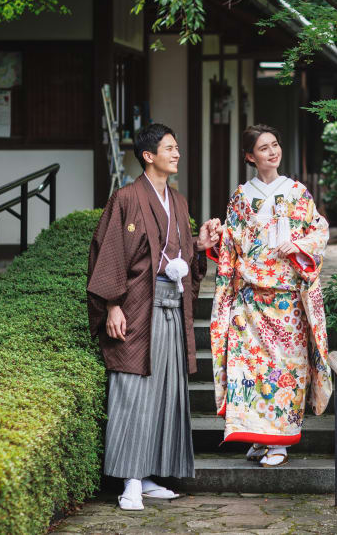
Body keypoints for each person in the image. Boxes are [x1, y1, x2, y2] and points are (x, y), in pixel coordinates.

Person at [87, 123, 221, 510]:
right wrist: (112, 305)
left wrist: (199, 245)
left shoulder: (177, 201)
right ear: (148, 155)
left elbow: (180, 254)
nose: (176, 154)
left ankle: (148, 476)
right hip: (135, 307)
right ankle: (129, 480)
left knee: (166, 391)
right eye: (169, 148)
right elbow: (108, 252)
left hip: (171, 305)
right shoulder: (126, 198)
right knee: (132, 390)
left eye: (177, 147)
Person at [206, 124, 331, 467]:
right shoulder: (241, 196)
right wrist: (217, 237)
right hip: (250, 299)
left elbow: (319, 229)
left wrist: (301, 244)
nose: (272, 152)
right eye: (263, 148)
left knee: (285, 368)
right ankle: (260, 439)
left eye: (275, 145)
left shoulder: (297, 192)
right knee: (249, 367)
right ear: (250, 156)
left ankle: (280, 444)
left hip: (286, 299)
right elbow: (230, 244)